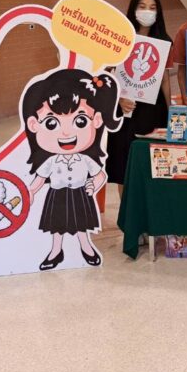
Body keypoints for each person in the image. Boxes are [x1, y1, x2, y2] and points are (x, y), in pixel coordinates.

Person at [24, 68, 122, 271]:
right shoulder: (51, 161)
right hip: (57, 194)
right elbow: (40, 178)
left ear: (96, 120)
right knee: (56, 226)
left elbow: (100, 175)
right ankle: (55, 251)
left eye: (80, 121)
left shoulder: (85, 159)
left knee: (82, 224)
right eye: (51, 123)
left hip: (80, 194)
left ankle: (86, 247)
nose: (66, 132)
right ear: (34, 125)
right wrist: (30, 192)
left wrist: (93, 185)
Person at [105, 0, 170, 198]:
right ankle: (126, 213)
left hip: (153, 109)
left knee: (153, 162)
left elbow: (165, 79)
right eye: (142, 7)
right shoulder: (120, 39)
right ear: (133, 9)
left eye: (152, 8)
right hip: (124, 107)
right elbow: (106, 73)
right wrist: (118, 99)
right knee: (123, 165)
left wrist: (171, 111)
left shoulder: (163, 40)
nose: (147, 11)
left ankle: (150, 211)